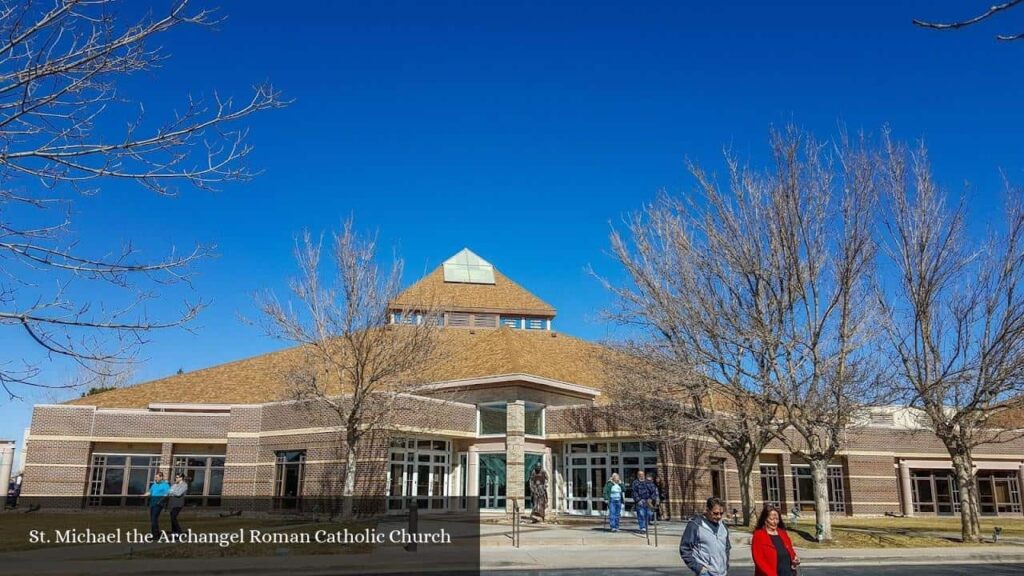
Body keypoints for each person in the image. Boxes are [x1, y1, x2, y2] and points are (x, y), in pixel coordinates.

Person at [680, 496, 731, 576]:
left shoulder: (723, 526)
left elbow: (727, 547)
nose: (719, 517)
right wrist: (698, 568)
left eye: (721, 513)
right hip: (705, 573)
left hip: (722, 572)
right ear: (707, 510)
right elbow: (685, 548)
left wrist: (726, 564)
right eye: (715, 513)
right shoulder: (695, 525)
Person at [751, 505, 800, 576]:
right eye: (772, 519)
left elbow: (790, 550)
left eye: (777, 519)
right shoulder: (759, 535)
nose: (775, 522)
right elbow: (759, 560)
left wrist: (795, 559)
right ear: (765, 520)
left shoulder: (782, 533)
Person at [143, 471, 170, 541]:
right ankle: (155, 534)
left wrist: (161, 500)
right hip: (152, 503)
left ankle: (156, 536)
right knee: (152, 519)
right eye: (155, 477)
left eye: (157, 477)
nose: (155, 478)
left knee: (154, 518)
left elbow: (167, 493)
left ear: (161, 477)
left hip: (159, 504)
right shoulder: (154, 485)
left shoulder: (165, 485)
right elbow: (149, 492)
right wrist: (143, 495)